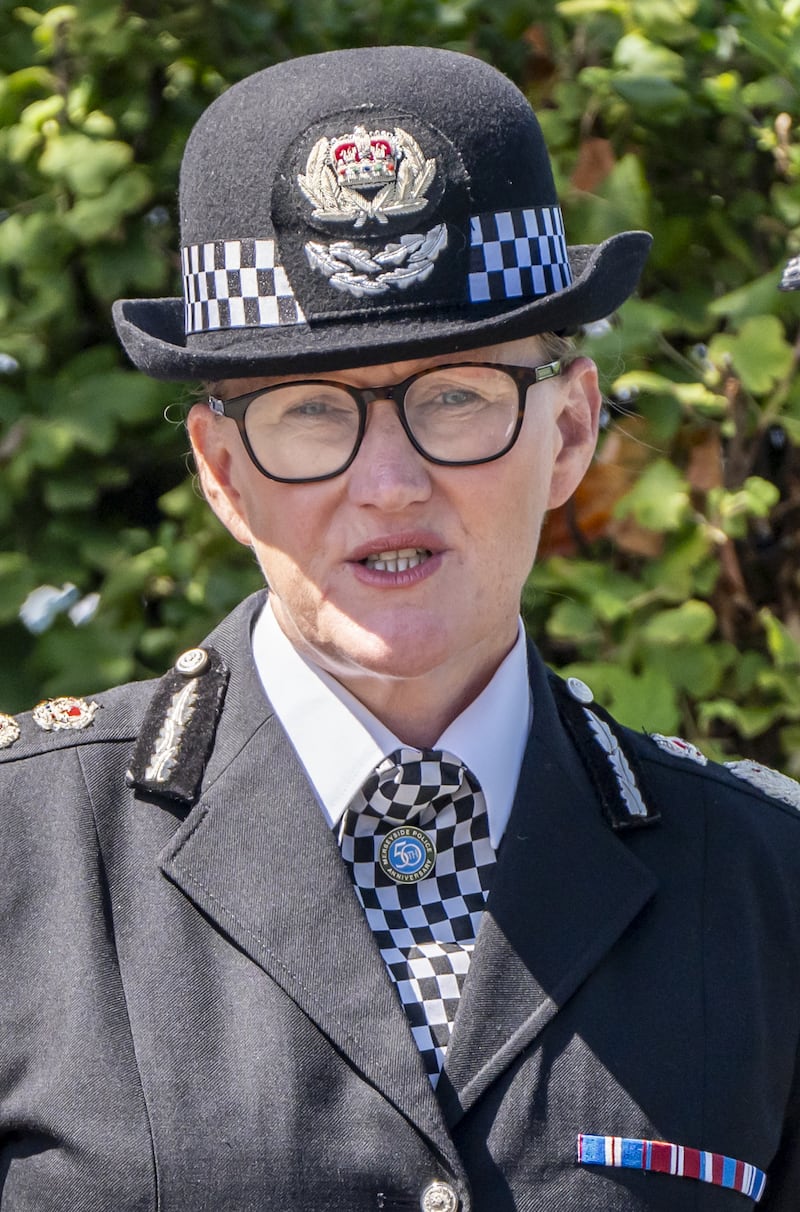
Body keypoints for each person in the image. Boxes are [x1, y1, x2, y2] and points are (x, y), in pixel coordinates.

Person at [2, 44, 800, 1212]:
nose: (388, 482)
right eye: (312, 411)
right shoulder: (23, 856)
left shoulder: (762, 886)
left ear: (569, 430)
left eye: (456, 395)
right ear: (222, 470)